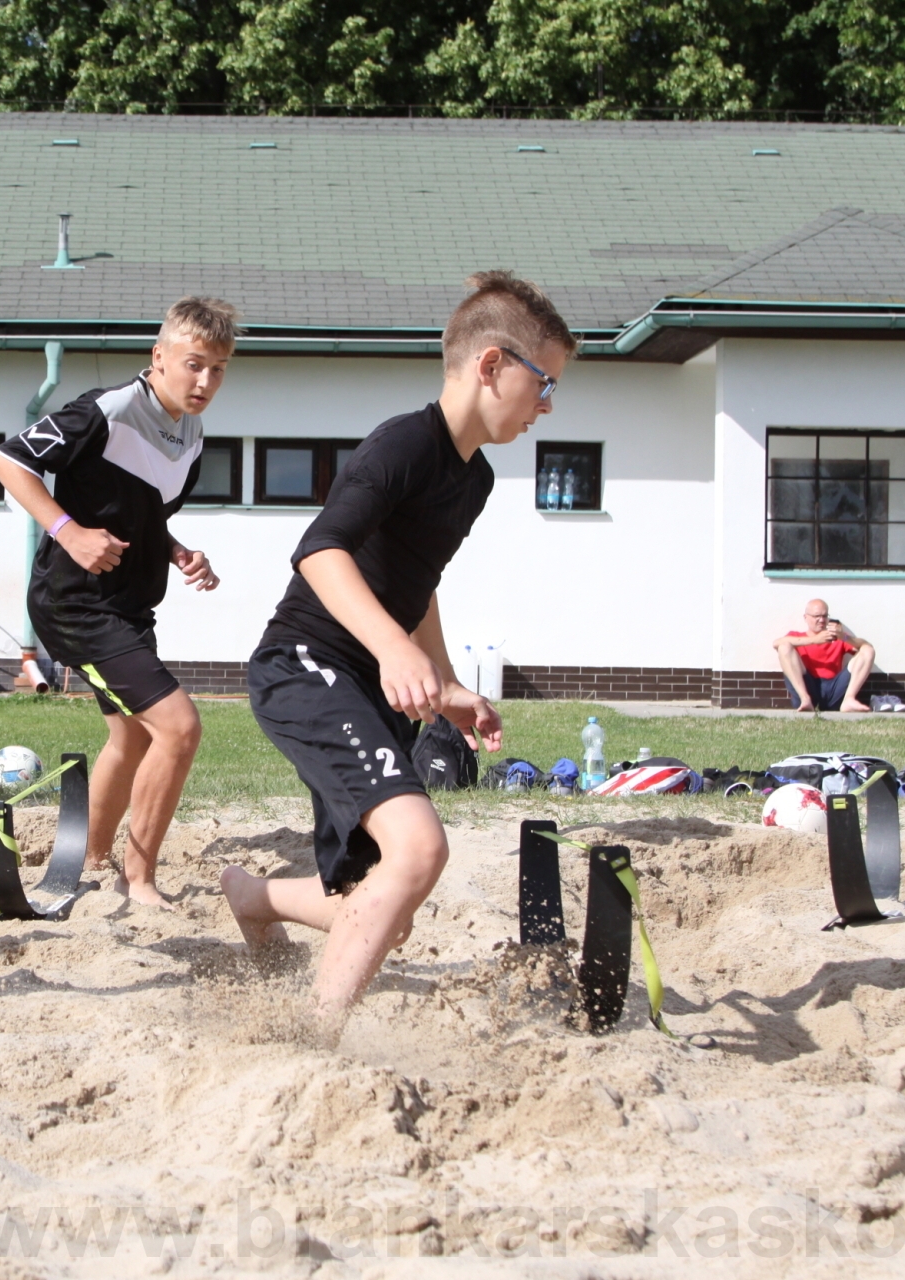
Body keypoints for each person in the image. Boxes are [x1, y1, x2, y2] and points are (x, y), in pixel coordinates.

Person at [220, 271, 574, 1042]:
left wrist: (441, 683)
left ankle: (251, 897)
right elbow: (320, 552)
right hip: (305, 666)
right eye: (544, 383)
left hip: (367, 686)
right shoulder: (405, 443)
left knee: (386, 906)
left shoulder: (473, 479)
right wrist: (390, 649)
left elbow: (419, 583)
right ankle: (312, 1040)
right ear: (491, 365)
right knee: (419, 849)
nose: (548, 404)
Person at [0, 297, 232, 909]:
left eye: (219, 369)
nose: (205, 381)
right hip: (76, 604)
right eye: (194, 364)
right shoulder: (109, 408)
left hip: (129, 607)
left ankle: (86, 861)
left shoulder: (192, 433)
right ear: (159, 356)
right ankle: (137, 878)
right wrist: (67, 531)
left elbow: (144, 516)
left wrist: (177, 551)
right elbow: (7, 460)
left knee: (133, 740)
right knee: (178, 727)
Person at [774, 599, 874, 712]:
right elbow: (776, 643)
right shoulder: (796, 636)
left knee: (868, 650)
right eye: (817, 616)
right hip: (809, 686)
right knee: (784, 647)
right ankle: (805, 699)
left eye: (825, 616)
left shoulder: (837, 637)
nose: (821, 620)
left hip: (834, 689)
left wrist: (844, 637)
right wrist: (814, 640)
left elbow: (866, 647)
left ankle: (849, 700)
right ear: (806, 617)